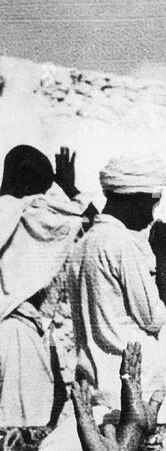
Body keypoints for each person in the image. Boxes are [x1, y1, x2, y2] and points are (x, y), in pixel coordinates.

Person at [66, 155, 166, 423]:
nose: (151, 215)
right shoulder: (121, 245)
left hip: (101, 390)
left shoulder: (83, 245)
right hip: (134, 395)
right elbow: (153, 319)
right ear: (136, 198)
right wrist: (165, 258)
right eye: (151, 203)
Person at [0, 145, 85, 427]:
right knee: (20, 428)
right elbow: (90, 224)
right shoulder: (36, 214)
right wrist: (70, 189)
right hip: (17, 333)